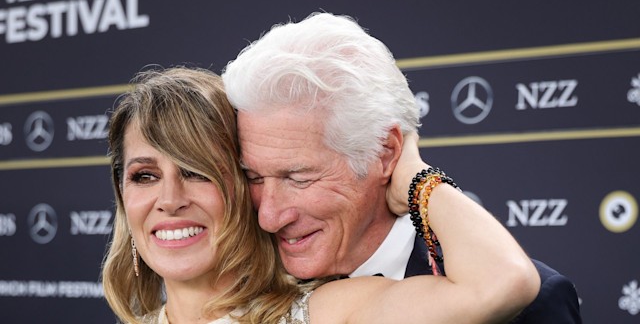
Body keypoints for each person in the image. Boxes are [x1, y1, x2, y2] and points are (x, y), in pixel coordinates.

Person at [102, 67, 539, 323]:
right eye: (144, 176)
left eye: (197, 172)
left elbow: (503, 281)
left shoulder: (325, 313)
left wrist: (412, 174)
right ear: (123, 198)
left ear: (243, 187)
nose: (170, 199)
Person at [222, 12, 582, 323]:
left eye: (298, 178)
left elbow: (507, 283)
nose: (268, 217)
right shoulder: (233, 283)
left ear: (385, 152)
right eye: (253, 177)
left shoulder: (529, 303)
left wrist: (416, 178)